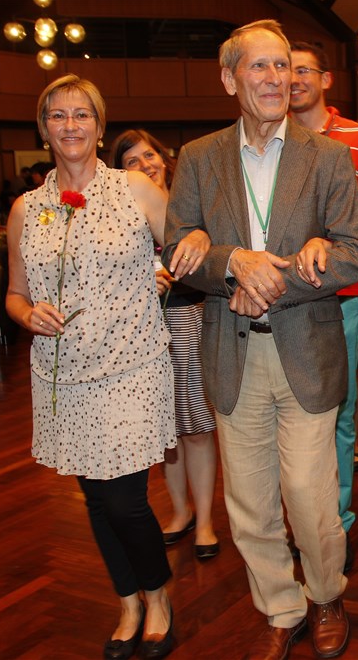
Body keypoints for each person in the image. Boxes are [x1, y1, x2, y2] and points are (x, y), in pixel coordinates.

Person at [162, 20, 358, 660]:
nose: (278, 79)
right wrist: (234, 265)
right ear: (230, 79)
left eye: (285, 67)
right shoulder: (199, 157)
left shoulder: (328, 156)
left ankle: (326, 592)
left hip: (305, 351)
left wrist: (273, 277)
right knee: (249, 501)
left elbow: (356, 253)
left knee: (310, 498)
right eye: (261, 67)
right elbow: (180, 249)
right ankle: (281, 607)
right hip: (232, 353)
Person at [5, 74, 181, 659]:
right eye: (58, 115)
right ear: (43, 128)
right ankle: (126, 599)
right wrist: (28, 314)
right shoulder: (26, 208)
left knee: (126, 500)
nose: (71, 125)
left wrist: (172, 272)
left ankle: (157, 594)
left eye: (82, 114)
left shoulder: (134, 189)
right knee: (97, 500)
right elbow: (14, 293)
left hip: (132, 365)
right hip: (63, 375)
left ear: (100, 127)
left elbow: (185, 251)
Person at [288, 40, 358, 572]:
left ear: (326, 79)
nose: (294, 78)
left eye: (304, 69)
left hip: (342, 298)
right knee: (288, 415)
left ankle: (336, 522)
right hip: (277, 300)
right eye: (286, 68)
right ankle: (298, 520)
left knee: (339, 413)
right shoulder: (267, 137)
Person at [109, 129, 221, 561]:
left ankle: (207, 521)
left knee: (196, 423)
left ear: (163, 156)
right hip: (139, 328)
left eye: (149, 155)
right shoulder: (118, 209)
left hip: (187, 316)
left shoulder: (186, 198)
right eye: (132, 161)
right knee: (165, 429)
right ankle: (180, 511)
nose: (144, 166)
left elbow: (210, 250)